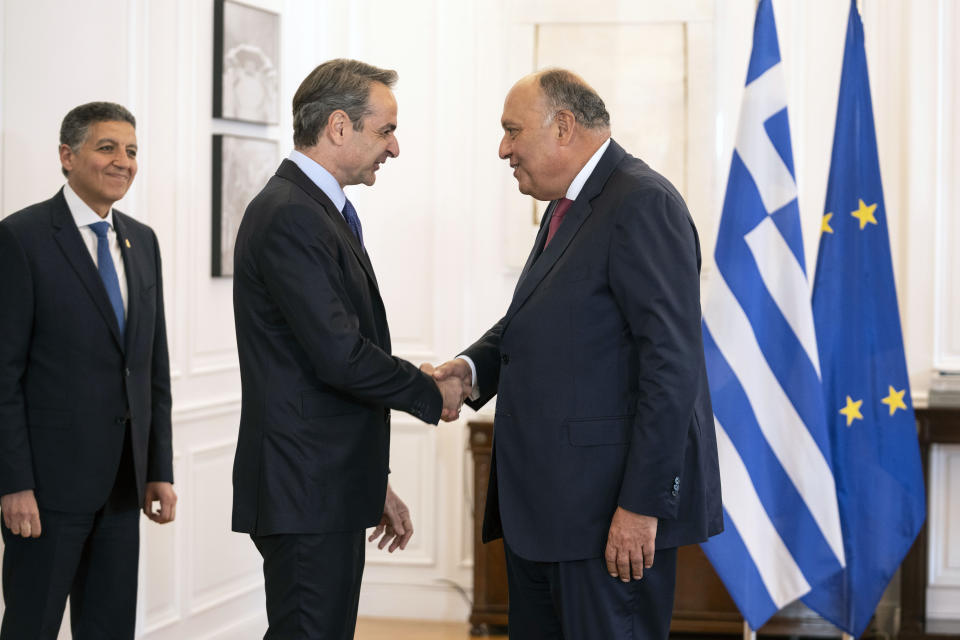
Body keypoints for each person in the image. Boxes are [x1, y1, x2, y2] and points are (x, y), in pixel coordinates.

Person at [431, 70, 723, 639]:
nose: (503, 149)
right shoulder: (568, 206)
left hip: (608, 520)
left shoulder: (643, 202)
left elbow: (673, 366)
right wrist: (466, 373)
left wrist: (641, 509)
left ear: (563, 126)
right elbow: (539, 320)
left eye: (512, 131)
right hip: (549, 516)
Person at [231, 58, 467, 640]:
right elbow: (339, 354)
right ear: (339, 126)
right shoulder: (291, 215)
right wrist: (429, 392)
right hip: (304, 489)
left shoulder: (312, 209)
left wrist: (371, 482)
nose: (395, 147)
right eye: (385, 129)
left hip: (323, 484)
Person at [0, 102, 176, 639]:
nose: (123, 161)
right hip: (47, 492)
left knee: (110, 629)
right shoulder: (20, 239)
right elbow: (2, 375)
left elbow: (152, 367)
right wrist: (14, 485)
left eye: (132, 151)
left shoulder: (142, 241)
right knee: (32, 627)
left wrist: (159, 468)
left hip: (123, 486)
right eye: (107, 147)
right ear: (66, 156)